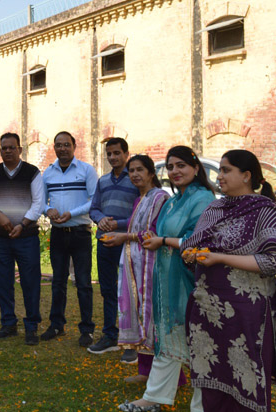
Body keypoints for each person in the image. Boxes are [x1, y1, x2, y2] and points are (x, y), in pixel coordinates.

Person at [181, 150, 276, 412]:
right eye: (220, 170)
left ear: (246, 175)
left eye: (226, 170)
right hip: (208, 309)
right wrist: (192, 253)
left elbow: (275, 262)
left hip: (246, 313)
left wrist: (220, 258)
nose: (220, 176)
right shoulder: (214, 208)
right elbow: (196, 244)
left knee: (246, 380)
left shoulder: (265, 212)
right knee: (212, 380)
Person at [120, 145, 215, 412]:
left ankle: (202, 405)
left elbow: (199, 241)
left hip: (192, 280)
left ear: (195, 168)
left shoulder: (203, 198)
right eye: (171, 167)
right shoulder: (174, 201)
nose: (174, 171)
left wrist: (162, 241)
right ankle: (154, 397)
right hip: (167, 278)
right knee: (169, 335)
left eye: (181, 165)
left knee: (199, 342)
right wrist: (157, 239)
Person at [101, 155, 172, 384]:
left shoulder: (160, 198)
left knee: (152, 316)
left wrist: (125, 237)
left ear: (151, 173)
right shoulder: (139, 199)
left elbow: (155, 233)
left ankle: (167, 376)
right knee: (138, 312)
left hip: (152, 263)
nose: (134, 174)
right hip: (134, 263)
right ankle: (145, 371)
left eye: (140, 169)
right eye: (131, 171)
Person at [0, 133, 44, 345]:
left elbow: (38, 203)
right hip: (1, 238)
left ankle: (31, 326)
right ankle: (8, 323)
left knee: (30, 282)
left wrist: (22, 224)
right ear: (0, 150)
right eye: (4, 148)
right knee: (3, 281)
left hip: (27, 237)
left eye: (11, 147)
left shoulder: (32, 172)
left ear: (20, 149)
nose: (7, 151)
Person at [41, 131, 98, 346]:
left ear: (74, 146)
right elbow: (40, 201)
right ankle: (56, 325)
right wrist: (48, 210)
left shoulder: (86, 170)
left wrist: (71, 214)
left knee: (83, 282)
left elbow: (94, 200)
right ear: (54, 148)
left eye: (66, 144)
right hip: (58, 233)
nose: (62, 148)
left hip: (80, 232)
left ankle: (87, 330)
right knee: (58, 281)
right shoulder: (48, 173)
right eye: (58, 145)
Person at [87, 137, 139, 358]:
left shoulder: (135, 179)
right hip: (105, 241)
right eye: (109, 154)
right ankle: (110, 335)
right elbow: (94, 208)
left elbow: (140, 214)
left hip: (126, 241)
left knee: (130, 290)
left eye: (117, 153)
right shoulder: (103, 181)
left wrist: (117, 224)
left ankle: (132, 342)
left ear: (126, 154)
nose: (112, 157)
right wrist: (100, 219)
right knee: (107, 289)